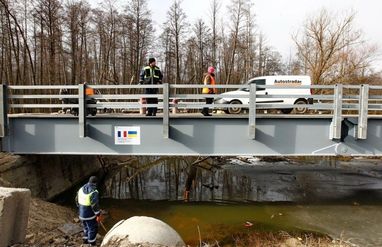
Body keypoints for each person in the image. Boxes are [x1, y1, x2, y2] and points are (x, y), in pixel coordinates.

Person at [76, 176, 101, 246]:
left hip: (81, 214)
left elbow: (76, 200)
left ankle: (85, 240)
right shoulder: (93, 192)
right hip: (89, 215)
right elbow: (95, 205)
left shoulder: (81, 189)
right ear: (95, 183)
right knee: (92, 228)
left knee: (85, 227)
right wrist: (98, 214)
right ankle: (92, 244)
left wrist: (80, 208)